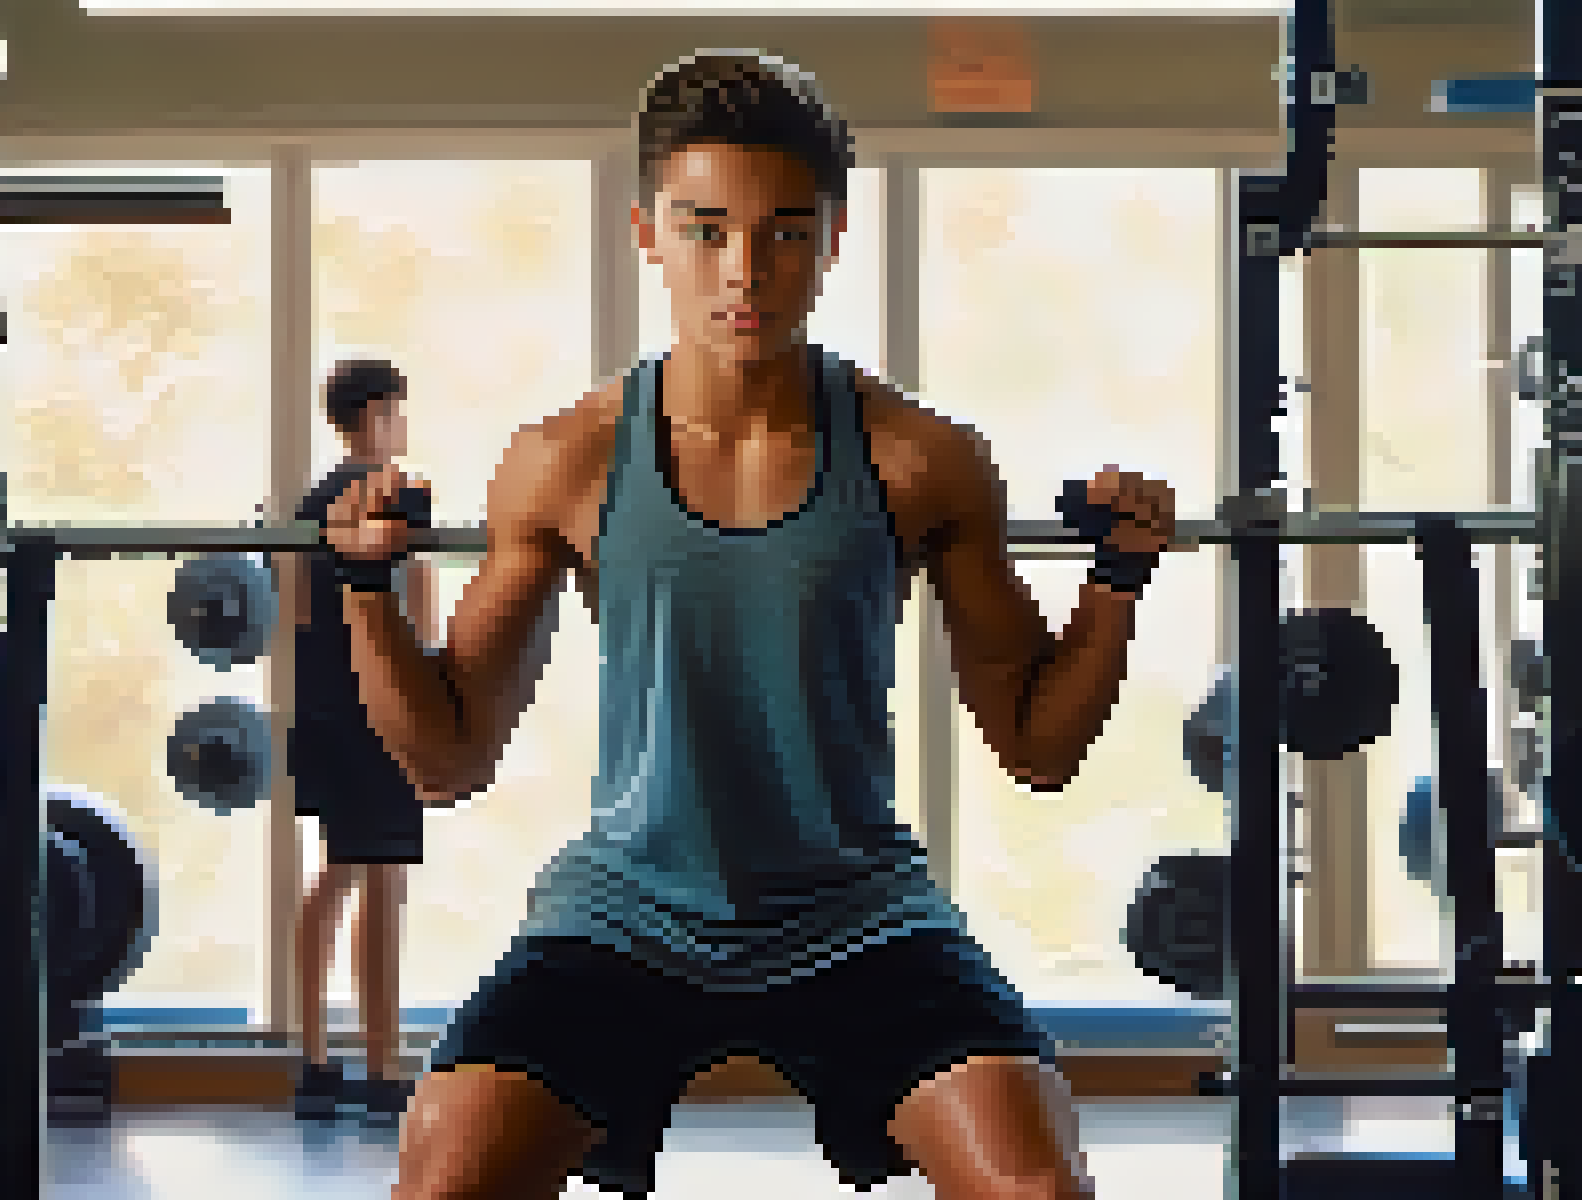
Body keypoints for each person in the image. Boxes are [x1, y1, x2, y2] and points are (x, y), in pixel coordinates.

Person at [324, 51, 1176, 1200]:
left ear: (832, 238)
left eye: (783, 232)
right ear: (648, 232)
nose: (744, 271)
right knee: (442, 1183)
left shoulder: (920, 459)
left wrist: (1117, 577)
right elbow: (445, 759)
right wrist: (367, 591)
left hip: (858, 912)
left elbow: (1039, 744)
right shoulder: (564, 461)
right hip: (625, 912)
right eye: (706, 228)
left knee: (1040, 1190)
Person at [283, 359, 444, 1128]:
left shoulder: (308, 507)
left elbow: (293, 618)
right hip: (381, 705)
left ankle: (316, 1061)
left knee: (339, 871)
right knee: (382, 881)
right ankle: (384, 1068)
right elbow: (420, 614)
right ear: (378, 413)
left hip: (320, 709)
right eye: (399, 410)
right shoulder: (398, 499)